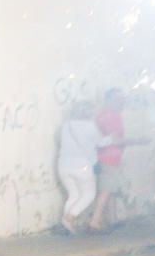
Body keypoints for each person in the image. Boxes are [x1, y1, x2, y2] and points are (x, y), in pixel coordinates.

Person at [88, 88, 149, 232]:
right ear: (108, 100)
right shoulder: (110, 116)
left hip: (109, 157)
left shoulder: (110, 114)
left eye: (123, 99)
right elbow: (114, 140)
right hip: (107, 157)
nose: (122, 102)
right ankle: (94, 222)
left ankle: (113, 219)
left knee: (111, 190)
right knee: (106, 190)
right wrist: (138, 141)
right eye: (118, 99)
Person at [56, 100, 109, 234]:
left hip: (63, 166)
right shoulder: (90, 126)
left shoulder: (66, 125)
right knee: (89, 194)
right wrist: (112, 138)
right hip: (81, 166)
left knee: (73, 194)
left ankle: (66, 226)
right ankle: (69, 217)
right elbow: (102, 143)